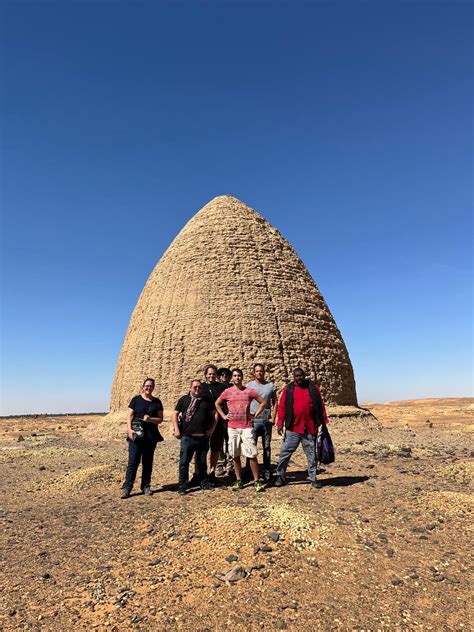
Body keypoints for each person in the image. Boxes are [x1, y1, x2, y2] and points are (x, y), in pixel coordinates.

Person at [274, 367, 329, 490]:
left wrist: (323, 421)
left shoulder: (313, 388)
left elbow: (320, 405)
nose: (299, 378)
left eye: (301, 375)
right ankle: (280, 476)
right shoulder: (288, 389)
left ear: (304, 375)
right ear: (293, 377)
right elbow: (282, 407)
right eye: (297, 376)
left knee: (311, 455)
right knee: (285, 453)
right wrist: (279, 423)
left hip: (309, 428)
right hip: (292, 428)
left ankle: (313, 478)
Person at [215, 369, 267, 492]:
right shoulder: (227, 392)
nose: (237, 378)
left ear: (242, 377)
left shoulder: (249, 391)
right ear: (232, 378)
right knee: (235, 453)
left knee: (252, 453)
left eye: (239, 376)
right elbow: (217, 404)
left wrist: (255, 415)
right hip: (232, 427)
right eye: (235, 376)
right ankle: (238, 480)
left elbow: (263, 403)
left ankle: (256, 480)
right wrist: (223, 416)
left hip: (246, 426)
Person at [121, 378, 164, 498]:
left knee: (147, 462)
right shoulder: (136, 400)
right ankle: (127, 487)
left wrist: (150, 419)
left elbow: (160, 419)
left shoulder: (157, 402)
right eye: (147, 386)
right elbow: (129, 416)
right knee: (133, 462)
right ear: (143, 386)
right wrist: (129, 430)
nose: (148, 388)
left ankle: (145, 486)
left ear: (153, 387)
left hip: (150, 436)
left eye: (151, 386)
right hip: (136, 435)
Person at [172, 380, 217, 494]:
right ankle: (183, 484)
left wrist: (212, 429)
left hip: (203, 437)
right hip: (188, 437)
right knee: (184, 462)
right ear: (190, 387)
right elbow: (175, 413)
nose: (197, 389)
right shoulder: (184, 399)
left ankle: (203, 482)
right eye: (195, 387)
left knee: (202, 462)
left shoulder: (206, 400)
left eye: (200, 387)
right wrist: (176, 429)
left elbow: (215, 414)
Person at [246, 363, 278, 482]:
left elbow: (275, 402)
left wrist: (273, 418)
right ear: (254, 373)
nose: (259, 373)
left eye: (261, 371)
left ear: (264, 372)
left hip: (266, 420)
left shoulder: (270, 386)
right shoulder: (249, 386)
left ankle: (266, 470)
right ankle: (249, 470)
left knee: (267, 447)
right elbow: (246, 402)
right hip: (253, 420)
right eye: (257, 371)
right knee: (251, 445)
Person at [202, 364, 227, 481]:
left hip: (219, 422)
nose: (211, 376)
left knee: (215, 448)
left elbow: (227, 402)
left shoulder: (221, 387)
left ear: (216, 375)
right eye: (209, 374)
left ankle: (212, 471)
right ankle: (200, 473)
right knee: (201, 448)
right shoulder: (201, 387)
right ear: (206, 375)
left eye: (213, 374)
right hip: (203, 421)